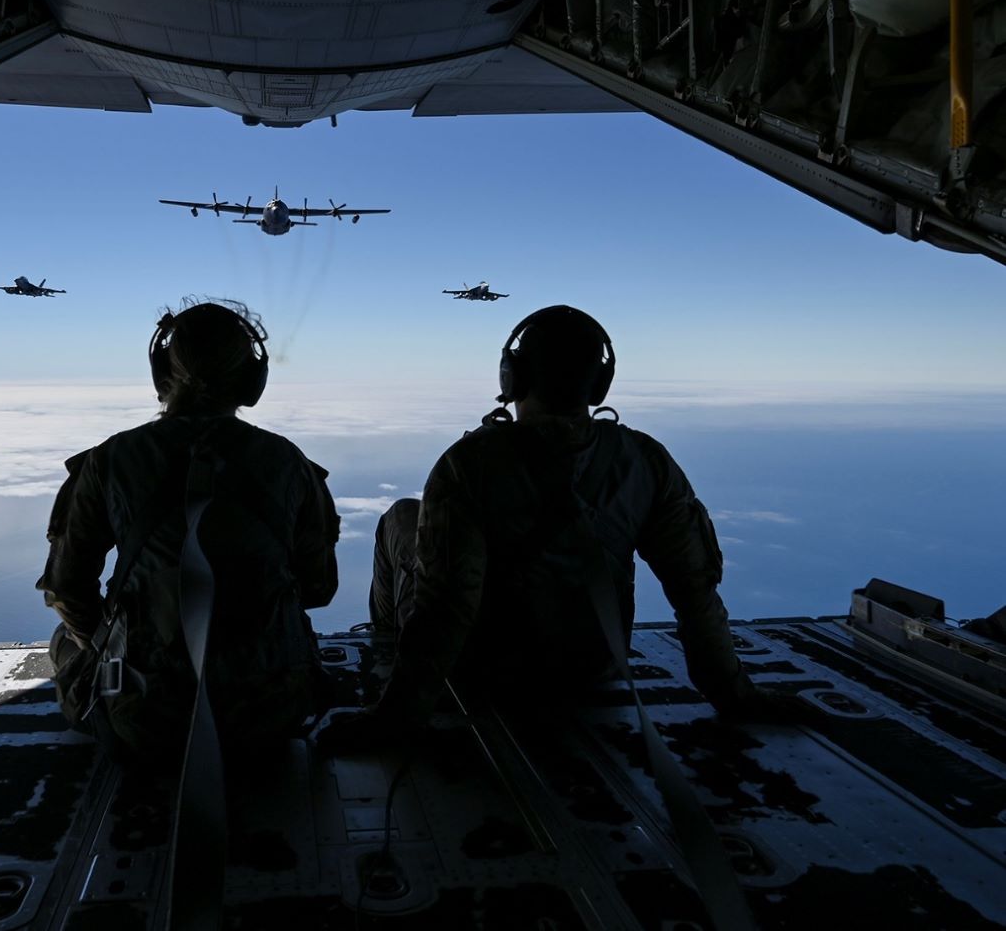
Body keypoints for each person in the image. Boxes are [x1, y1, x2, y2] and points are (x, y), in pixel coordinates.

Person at [323, 305, 791, 750]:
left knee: (401, 516)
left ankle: (384, 648)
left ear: (513, 377)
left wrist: (394, 720)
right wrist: (735, 696)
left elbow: (447, 605)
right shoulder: (647, 461)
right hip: (595, 667)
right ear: (599, 384)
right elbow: (696, 591)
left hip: (486, 673)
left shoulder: (469, 464)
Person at [39, 300, 340, 764]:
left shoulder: (109, 460)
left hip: (145, 719)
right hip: (270, 714)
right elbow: (318, 588)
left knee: (64, 644)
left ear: (162, 372)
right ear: (251, 380)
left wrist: (117, 648)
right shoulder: (288, 462)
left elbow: (67, 589)